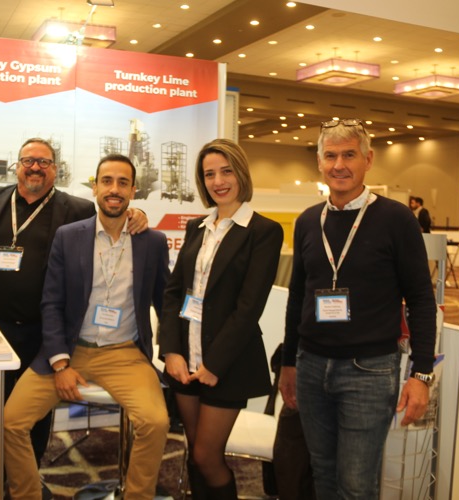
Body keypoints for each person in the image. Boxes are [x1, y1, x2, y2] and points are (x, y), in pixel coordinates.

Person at [279, 118, 437, 499]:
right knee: (322, 474)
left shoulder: (396, 219)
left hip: (369, 370)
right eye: (330, 156)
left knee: (356, 485)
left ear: (368, 159)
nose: (339, 165)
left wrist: (421, 374)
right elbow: (298, 297)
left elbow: (420, 298)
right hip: (311, 365)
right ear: (319, 162)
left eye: (349, 155)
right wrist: (288, 363)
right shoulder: (308, 221)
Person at [2, 154, 169, 499]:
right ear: (95, 187)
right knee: (11, 422)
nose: (114, 189)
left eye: (123, 182)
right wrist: (60, 363)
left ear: (133, 190)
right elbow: (51, 302)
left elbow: (165, 303)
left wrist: (175, 352)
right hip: (70, 350)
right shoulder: (69, 236)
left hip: (124, 354)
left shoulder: (152, 242)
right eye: (107, 181)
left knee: (155, 422)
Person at [0, 138, 147, 466]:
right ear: (17, 166)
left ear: (55, 169)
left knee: (35, 416)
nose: (35, 167)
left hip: (42, 330)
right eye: (28, 160)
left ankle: (31, 475)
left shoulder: (77, 209)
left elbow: (114, 214)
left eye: (44, 162)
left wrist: (137, 214)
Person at [159, 138, 283, 499]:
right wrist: (171, 351)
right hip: (186, 360)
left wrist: (214, 364)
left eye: (226, 171)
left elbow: (249, 307)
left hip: (226, 365)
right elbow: (174, 293)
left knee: (206, 455)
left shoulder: (263, 231)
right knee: (194, 454)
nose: (218, 181)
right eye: (209, 174)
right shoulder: (197, 227)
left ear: (241, 173)